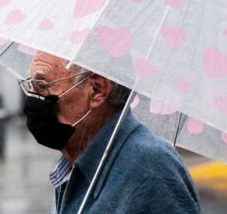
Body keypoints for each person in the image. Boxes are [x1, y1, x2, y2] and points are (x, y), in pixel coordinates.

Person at [21, 52, 200, 214]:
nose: (31, 96)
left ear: (97, 90)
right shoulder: (74, 161)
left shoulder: (150, 167)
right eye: (31, 85)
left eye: (42, 86)